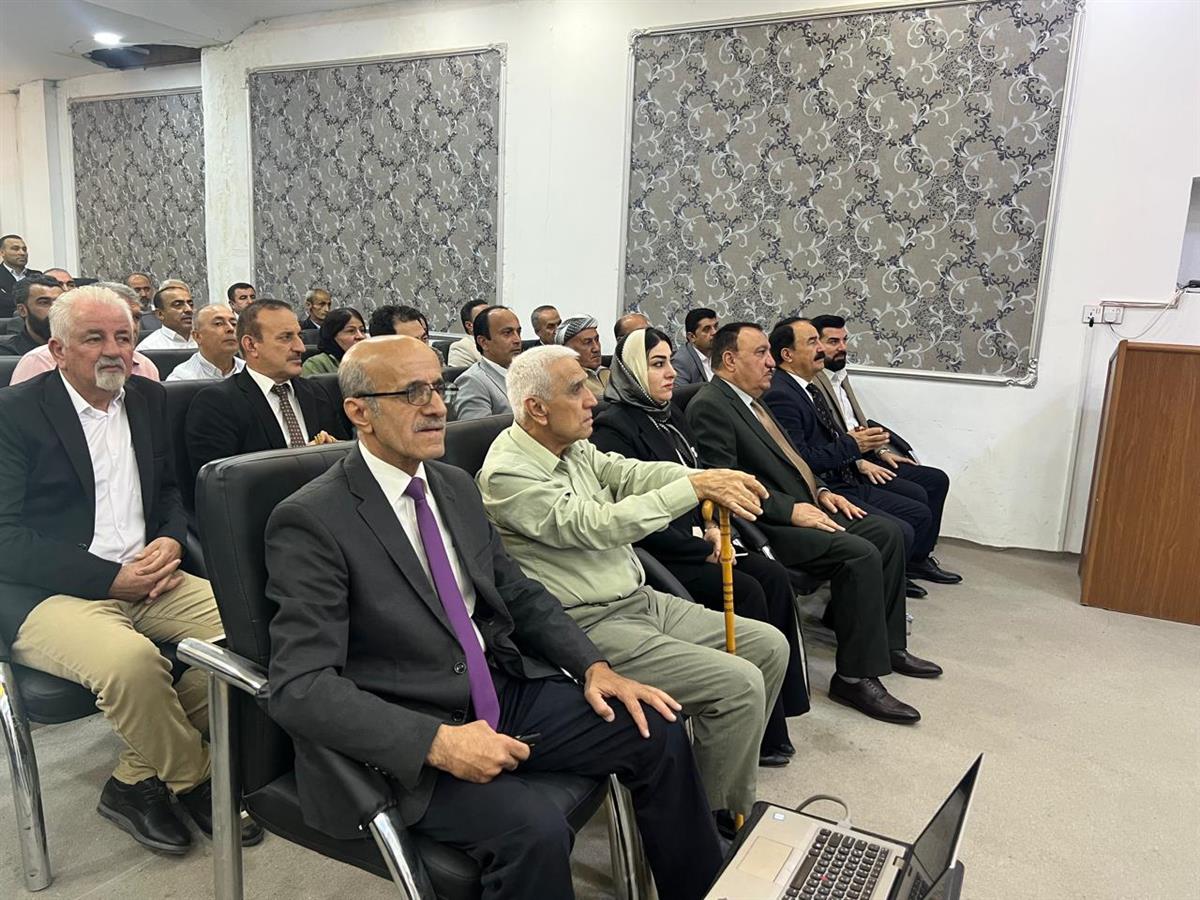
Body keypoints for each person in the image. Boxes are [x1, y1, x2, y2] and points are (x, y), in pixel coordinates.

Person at [267, 336, 723, 899]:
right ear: (360, 412)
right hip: (406, 727)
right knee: (535, 830)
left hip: (496, 688)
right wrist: (436, 741)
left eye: (438, 388)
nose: (437, 406)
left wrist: (593, 667)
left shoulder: (453, 486)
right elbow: (301, 686)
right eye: (413, 393)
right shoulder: (312, 519)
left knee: (656, 727)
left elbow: (518, 592)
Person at [478, 344, 788, 827]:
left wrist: (703, 476)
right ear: (536, 408)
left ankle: (715, 786)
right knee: (738, 683)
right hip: (587, 623)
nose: (593, 399)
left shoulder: (571, 445)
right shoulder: (507, 473)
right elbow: (594, 524)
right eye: (577, 390)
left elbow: (629, 472)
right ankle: (709, 823)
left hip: (640, 599)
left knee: (769, 646)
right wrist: (691, 489)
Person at [0, 285, 261, 854]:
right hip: (46, 592)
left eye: (123, 336)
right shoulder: (12, 413)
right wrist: (107, 579)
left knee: (257, 631)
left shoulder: (148, 399)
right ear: (58, 349)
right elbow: (5, 536)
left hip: (151, 575)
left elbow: (167, 491)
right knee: (134, 663)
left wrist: (169, 539)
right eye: (94, 338)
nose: (113, 350)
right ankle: (196, 779)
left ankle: (134, 778)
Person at [686, 323, 943, 725]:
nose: (771, 362)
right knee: (859, 553)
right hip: (768, 525)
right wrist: (791, 509)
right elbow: (726, 483)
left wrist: (821, 491)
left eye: (769, 353)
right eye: (760, 353)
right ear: (730, 360)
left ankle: (887, 646)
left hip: (805, 502)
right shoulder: (711, 405)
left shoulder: (754, 399)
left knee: (888, 533)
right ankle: (854, 677)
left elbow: (794, 460)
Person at [591, 328, 810, 767]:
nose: (671, 373)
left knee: (773, 576)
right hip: (662, 555)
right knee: (748, 589)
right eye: (657, 364)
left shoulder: (669, 414)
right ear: (632, 370)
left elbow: (699, 476)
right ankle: (753, 725)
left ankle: (776, 712)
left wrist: (711, 526)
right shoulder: (613, 428)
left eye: (670, 362)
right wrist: (697, 546)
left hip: (697, 535)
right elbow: (631, 518)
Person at [764, 319, 960, 595]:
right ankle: (878, 591)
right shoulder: (782, 394)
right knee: (900, 527)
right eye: (814, 342)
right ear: (787, 354)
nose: (822, 349)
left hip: (844, 472)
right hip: (827, 486)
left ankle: (902, 572)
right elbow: (800, 460)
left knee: (919, 506)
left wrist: (871, 447)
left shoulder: (808, 387)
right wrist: (853, 448)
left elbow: (838, 431)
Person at [185, 299, 347, 483]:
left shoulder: (316, 392)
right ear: (251, 345)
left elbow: (344, 460)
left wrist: (332, 451)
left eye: (299, 336)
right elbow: (221, 484)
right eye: (286, 337)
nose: (300, 347)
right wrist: (301, 461)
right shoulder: (216, 403)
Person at [11, 282, 161, 384]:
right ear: (59, 351)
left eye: (136, 317)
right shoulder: (39, 361)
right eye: (94, 339)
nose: (131, 326)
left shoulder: (145, 366)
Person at [452, 305, 522, 420]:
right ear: (483, 342)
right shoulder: (472, 382)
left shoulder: (528, 372)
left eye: (518, 332)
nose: (517, 340)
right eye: (507, 333)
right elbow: (477, 430)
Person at [166, 304, 245, 381]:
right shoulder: (182, 379)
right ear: (197, 336)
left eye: (234, 324)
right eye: (218, 323)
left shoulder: (248, 369)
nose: (231, 329)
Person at [0, 275, 63, 357]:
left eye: (59, 302)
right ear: (22, 310)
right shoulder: (6, 354)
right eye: (44, 302)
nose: (54, 309)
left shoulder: (77, 347)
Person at [301, 307, 368, 375]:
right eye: (351, 331)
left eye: (362, 330)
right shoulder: (315, 365)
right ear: (332, 335)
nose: (360, 336)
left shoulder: (370, 360)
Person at [554, 316, 609, 398]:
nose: (596, 348)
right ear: (567, 350)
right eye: (587, 342)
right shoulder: (568, 382)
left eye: (597, 340)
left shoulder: (608, 372)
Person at [137, 281, 197, 350]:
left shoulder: (205, 338)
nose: (189, 309)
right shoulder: (148, 348)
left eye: (191, 304)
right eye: (178, 305)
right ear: (160, 314)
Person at [672, 307, 719, 386]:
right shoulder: (681, 362)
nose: (714, 332)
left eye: (715, 326)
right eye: (706, 329)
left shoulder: (723, 352)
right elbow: (681, 393)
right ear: (692, 337)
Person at [0, 233, 41, 316]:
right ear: (2, 252)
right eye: (15, 249)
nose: (22, 253)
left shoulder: (37, 276)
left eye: (24, 249)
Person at [447, 299, 489, 366]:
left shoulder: (501, 342)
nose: (493, 320)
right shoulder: (461, 348)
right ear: (469, 325)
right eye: (485, 317)